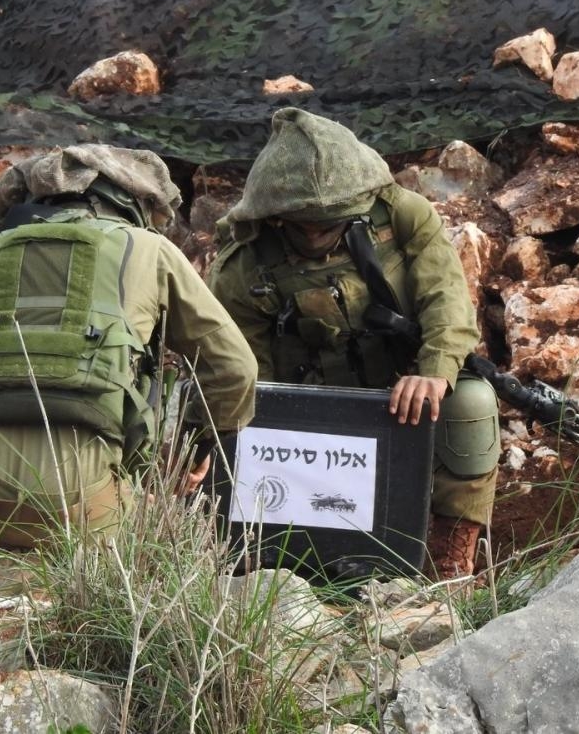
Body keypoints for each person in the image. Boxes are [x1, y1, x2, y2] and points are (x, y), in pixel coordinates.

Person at [0, 145, 258, 582]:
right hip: (92, 516)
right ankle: (125, 509)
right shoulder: (149, 249)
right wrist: (192, 453)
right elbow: (234, 369)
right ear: (132, 203)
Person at [207, 108, 501, 579]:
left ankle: (450, 559)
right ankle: (281, 556)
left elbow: (446, 300)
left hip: (400, 393)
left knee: (470, 402)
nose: (317, 238)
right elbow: (247, 380)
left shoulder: (402, 216)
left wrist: (434, 371)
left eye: (330, 226)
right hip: (307, 409)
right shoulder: (243, 267)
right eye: (303, 227)